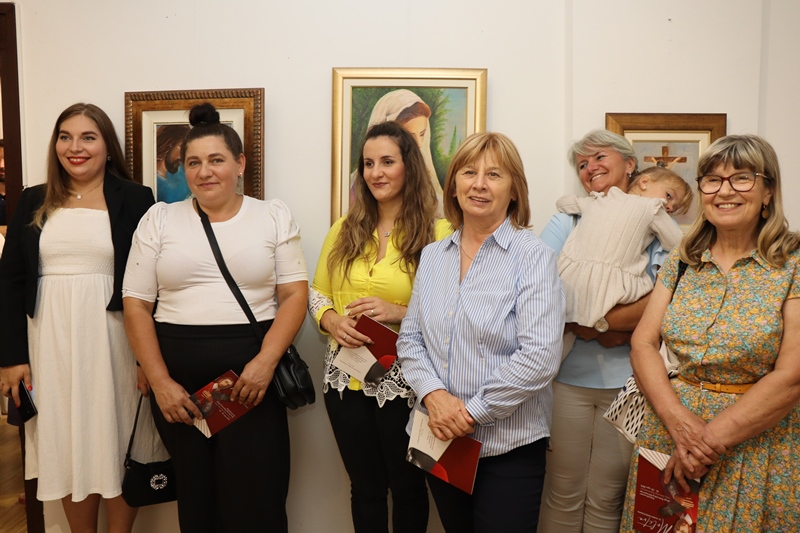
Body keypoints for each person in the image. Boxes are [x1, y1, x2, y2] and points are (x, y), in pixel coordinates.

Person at [122, 102, 308, 532]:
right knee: (198, 504)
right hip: (180, 393)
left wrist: (265, 364)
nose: (205, 172)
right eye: (194, 162)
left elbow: (294, 294)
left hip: (249, 385)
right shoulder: (159, 219)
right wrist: (161, 382)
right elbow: (136, 305)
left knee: (257, 501)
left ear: (239, 164)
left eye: (216, 160)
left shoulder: (272, 215)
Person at [619, 135, 800, 531]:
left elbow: (792, 376)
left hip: (754, 442)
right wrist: (678, 422)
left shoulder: (793, 264)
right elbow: (643, 343)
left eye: (742, 178)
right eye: (713, 180)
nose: (725, 191)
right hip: (669, 432)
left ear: (769, 191)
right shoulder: (683, 260)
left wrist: (704, 443)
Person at [0, 103, 156, 532]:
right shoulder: (33, 199)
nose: (75, 147)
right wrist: (11, 358)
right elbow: (9, 282)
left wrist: (148, 359)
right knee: (66, 444)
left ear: (107, 145)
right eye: (65, 137)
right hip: (48, 343)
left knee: (117, 438)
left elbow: (151, 282)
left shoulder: (136, 198)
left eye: (88, 137)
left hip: (117, 342)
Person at [397, 132, 564, 532]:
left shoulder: (534, 257)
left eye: (494, 174)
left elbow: (539, 357)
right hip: (439, 436)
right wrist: (435, 397)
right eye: (469, 172)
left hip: (509, 446)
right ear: (454, 185)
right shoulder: (433, 255)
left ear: (514, 190)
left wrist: (470, 413)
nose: (480, 184)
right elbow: (410, 340)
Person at [309, 120, 449, 533]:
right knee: (365, 489)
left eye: (387, 161)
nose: (376, 172)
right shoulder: (343, 228)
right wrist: (331, 320)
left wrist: (399, 310)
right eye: (368, 164)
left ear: (409, 166)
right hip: (344, 380)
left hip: (409, 382)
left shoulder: (440, 233)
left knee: (408, 489)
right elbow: (317, 293)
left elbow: (454, 309)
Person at [538, 130, 671, 533]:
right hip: (566, 383)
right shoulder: (567, 219)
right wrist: (611, 326)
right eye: (582, 164)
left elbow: (666, 300)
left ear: (630, 165)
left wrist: (593, 323)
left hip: (631, 386)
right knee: (562, 492)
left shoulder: (653, 221)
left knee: (609, 495)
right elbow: (541, 289)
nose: (590, 168)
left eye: (599, 157)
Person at [555, 167, 691, 352]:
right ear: (644, 182)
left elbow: (564, 203)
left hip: (572, 279)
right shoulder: (652, 208)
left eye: (674, 208)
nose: (669, 207)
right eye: (669, 196)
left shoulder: (600, 200)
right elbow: (678, 244)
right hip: (609, 287)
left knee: (553, 346)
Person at [351, 89, 444, 215]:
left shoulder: (440, 220)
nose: (419, 145)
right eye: (369, 164)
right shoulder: (343, 223)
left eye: (387, 162)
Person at [155, 124, 191, 203]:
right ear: (170, 144)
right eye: (181, 147)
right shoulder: (152, 178)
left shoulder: (183, 173)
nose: (184, 154)